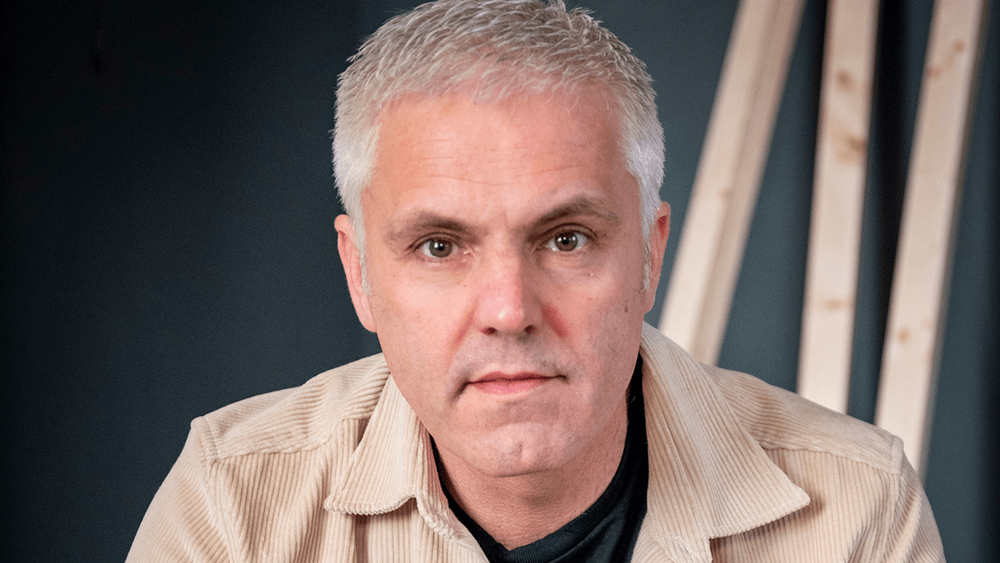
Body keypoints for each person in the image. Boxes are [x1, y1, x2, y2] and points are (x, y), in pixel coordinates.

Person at [127, 1, 945, 561]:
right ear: (360, 273)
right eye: (441, 246)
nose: (511, 310)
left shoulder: (853, 511)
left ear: (652, 254)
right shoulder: (236, 504)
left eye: (565, 238)